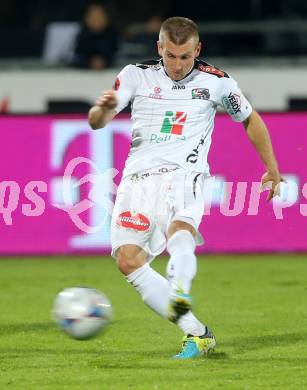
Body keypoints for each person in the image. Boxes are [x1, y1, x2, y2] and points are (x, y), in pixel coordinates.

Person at [88, 17, 282, 359]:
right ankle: (196, 332)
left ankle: (180, 286)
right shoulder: (136, 75)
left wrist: (272, 168)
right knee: (128, 261)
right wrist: (101, 111)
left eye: (186, 57)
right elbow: (97, 122)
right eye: (172, 56)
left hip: (185, 173)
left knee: (182, 228)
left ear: (198, 50)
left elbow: (250, 119)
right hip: (137, 180)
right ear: (159, 48)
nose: (178, 65)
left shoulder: (217, 82)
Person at [72, 2, 118, 70]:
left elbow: (119, 56)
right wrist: (89, 62)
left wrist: (105, 61)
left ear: (107, 18)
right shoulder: (81, 35)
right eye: (93, 15)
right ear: (86, 18)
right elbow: (75, 57)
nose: (97, 18)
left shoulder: (113, 35)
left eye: (100, 15)